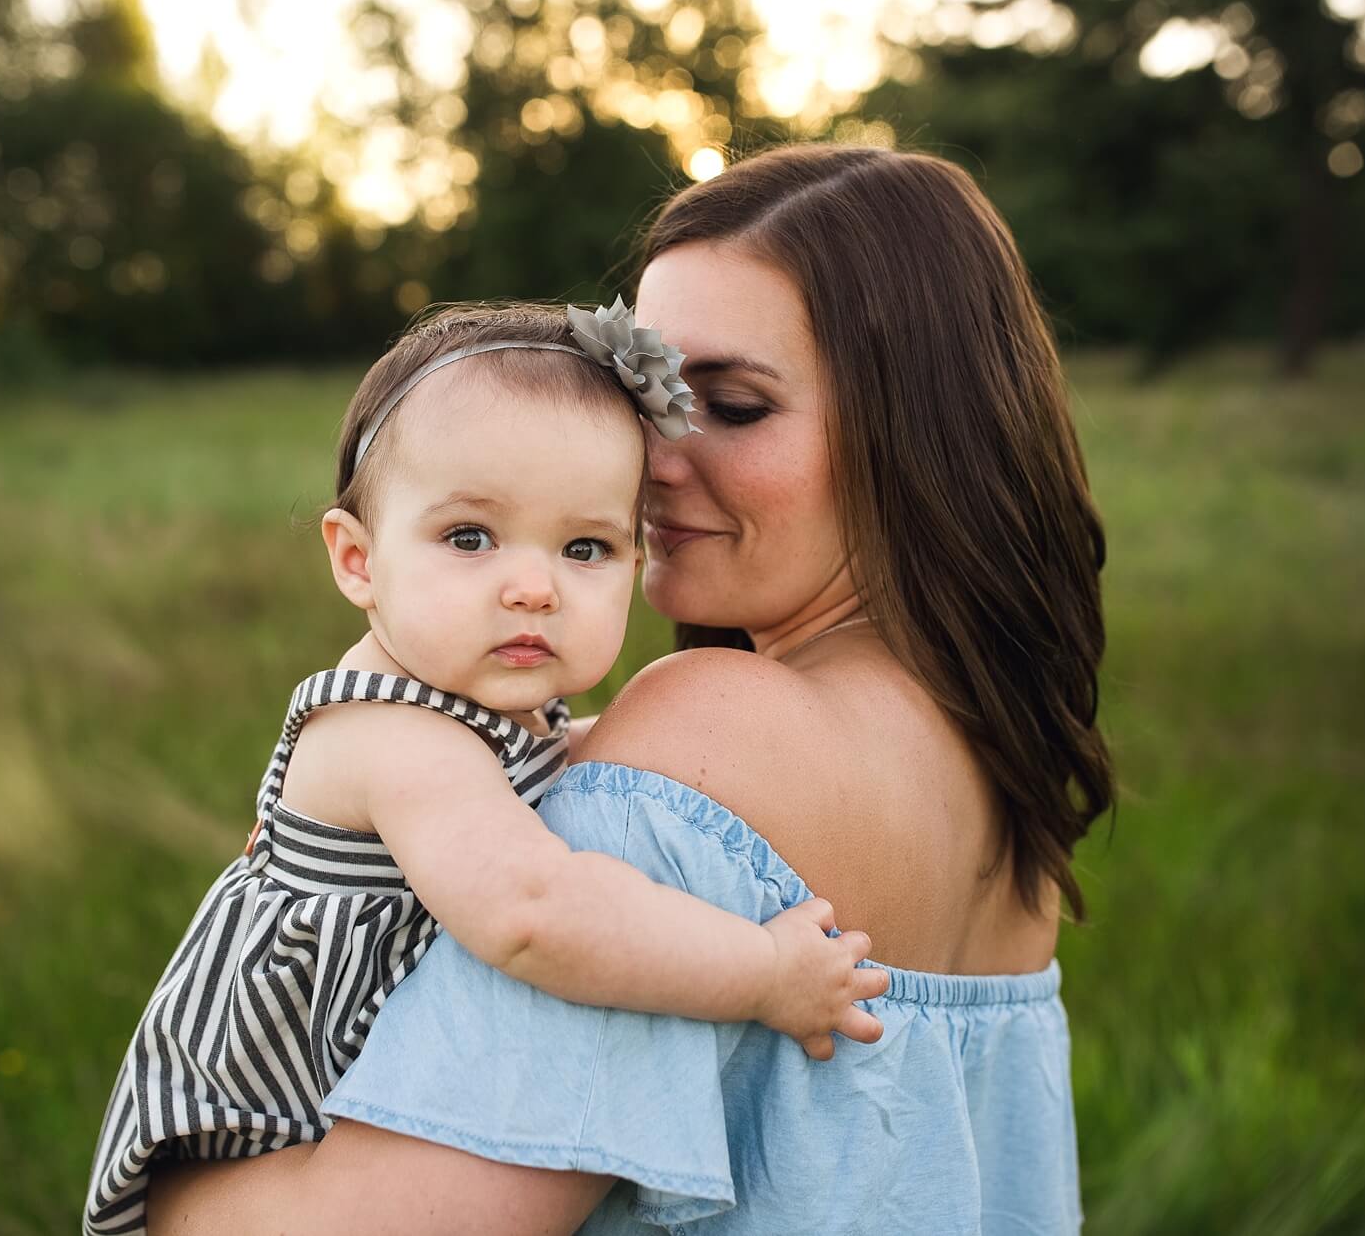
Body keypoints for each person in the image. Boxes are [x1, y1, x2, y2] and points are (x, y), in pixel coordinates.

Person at [143, 143, 1115, 1234]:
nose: (645, 457)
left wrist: (169, 1199)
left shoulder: (707, 732)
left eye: (735, 405)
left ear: (923, 437)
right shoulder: (999, 784)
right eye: (647, 394)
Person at [82, 301, 890, 1235]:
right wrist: (762, 974)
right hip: (266, 1137)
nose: (533, 585)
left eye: (585, 546)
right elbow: (536, 916)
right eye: (470, 537)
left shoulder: (472, 705)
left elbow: (545, 759)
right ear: (357, 559)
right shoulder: (393, 734)